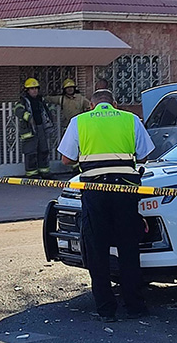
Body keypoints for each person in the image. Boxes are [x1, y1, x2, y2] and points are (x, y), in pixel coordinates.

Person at [57, 89, 154, 322]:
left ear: (91, 105)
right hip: (125, 190)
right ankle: (135, 306)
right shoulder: (130, 119)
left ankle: (106, 309)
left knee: (97, 249)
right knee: (128, 248)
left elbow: (66, 159)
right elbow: (145, 154)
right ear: (115, 104)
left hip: (95, 191)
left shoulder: (79, 121)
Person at [14, 78, 55, 179]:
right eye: (32, 88)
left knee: (44, 150)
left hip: (41, 128)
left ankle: (44, 171)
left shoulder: (40, 100)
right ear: (27, 90)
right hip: (30, 130)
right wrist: (28, 117)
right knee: (31, 152)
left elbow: (46, 110)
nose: (34, 90)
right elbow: (17, 110)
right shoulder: (23, 101)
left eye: (36, 88)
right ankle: (32, 174)